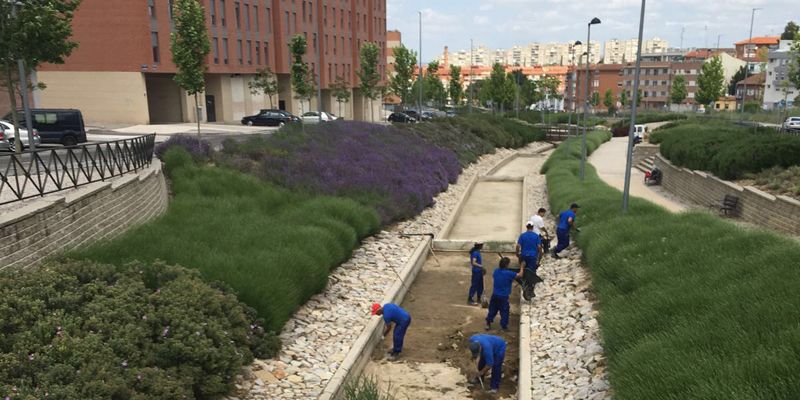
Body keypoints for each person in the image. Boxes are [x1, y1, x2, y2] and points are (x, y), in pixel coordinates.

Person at [485, 257, 522, 331]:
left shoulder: (496, 271)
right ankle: (504, 327)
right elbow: (520, 275)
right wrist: (522, 267)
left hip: (495, 294)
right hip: (503, 296)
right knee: (504, 311)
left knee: (492, 309)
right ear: (507, 265)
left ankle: (488, 323)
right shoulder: (509, 273)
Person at [516, 224, 544, 300]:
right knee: (532, 272)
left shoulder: (522, 235)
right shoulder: (536, 236)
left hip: (524, 256)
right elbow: (539, 247)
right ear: (532, 227)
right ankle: (530, 289)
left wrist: (517, 253)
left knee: (523, 270)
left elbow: (518, 246)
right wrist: (540, 256)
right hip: (532, 257)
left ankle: (524, 284)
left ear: (526, 227)